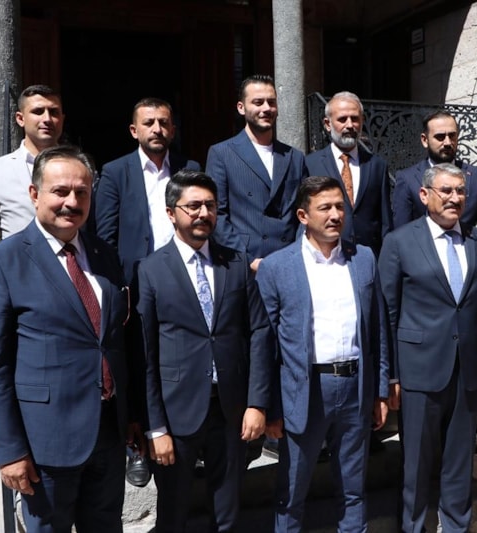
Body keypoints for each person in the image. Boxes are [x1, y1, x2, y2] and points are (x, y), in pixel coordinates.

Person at [0, 145, 141, 533]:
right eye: (60, 191)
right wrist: (9, 451)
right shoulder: (2, 261)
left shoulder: (104, 255)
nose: (72, 202)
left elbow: (116, 341)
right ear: (35, 194)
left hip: (107, 434)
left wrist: (130, 415)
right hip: (45, 442)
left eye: (82, 192)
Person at [136, 170, 273, 533]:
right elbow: (146, 353)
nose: (203, 213)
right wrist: (155, 428)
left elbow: (259, 332)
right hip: (177, 411)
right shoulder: (150, 270)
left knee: (227, 514)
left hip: (230, 409)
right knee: (174, 514)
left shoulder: (237, 263)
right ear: (171, 213)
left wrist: (257, 403)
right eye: (193, 206)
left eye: (210, 206)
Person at [257, 176, 390, 532]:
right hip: (305, 392)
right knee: (292, 492)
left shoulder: (363, 259)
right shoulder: (277, 267)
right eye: (325, 208)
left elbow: (377, 329)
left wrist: (379, 391)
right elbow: (266, 344)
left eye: (340, 207)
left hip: (355, 388)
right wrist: (271, 407)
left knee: (354, 489)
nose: (335, 215)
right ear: (303, 216)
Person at [379, 163, 477, 532]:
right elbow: (387, 314)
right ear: (424, 195)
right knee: (416, 463)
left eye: (460, 191)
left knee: (460, 459)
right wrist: (391, 376)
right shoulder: (400, 242)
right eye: (446, 190)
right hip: (418, 371)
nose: (454, 198)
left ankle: (456, 526)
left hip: (469, 369)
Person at [205, 74, 307, 273]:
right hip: (244, 265)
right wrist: (247, 260)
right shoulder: (222, 153)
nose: (266, 108)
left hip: (290, 262)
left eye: (271, 102)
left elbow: (305, 211)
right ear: (241, 107)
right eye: (258, 102)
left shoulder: (295, 157)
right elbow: (218, 213)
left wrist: (298, 253)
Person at [93, 97, 201, 284]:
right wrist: (116, 278)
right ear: (134, 131)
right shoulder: (115, 172)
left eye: (163, 123)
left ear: (172, 131)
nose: (157, 129)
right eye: (149, 123)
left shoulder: (189, 168)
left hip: (185, 272)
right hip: (135, 277)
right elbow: (106, 235)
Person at [0, 84, 65, 263]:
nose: (47, 119)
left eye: (54, 112)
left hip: (72, 270)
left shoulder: (79, 169)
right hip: (19, 271)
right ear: (20, 118)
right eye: (38, 111)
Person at [392, 110, 477, 253]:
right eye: (440, 137)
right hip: (425, 259)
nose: (447, 142)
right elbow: (402, 232)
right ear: (425, 140)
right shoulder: (407, 179)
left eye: (452, 136)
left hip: (468, 258)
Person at [305, 91, 392, 255]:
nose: (350, 125)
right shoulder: (310, 164)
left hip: (369, 256)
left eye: (355, 119)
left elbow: (385, 221)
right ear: (328, 124)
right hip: (325, 255)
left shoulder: (377, 166)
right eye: (342, 119)